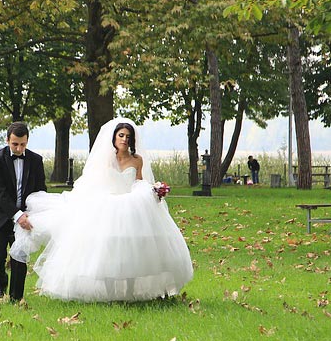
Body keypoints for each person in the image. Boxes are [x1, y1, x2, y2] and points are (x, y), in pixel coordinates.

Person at [10, 118, 193, 302]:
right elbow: (96, 182)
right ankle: (111, 292)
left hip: (131, 206)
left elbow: (138, 182)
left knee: (131, 248)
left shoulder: (137, 160)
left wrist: (153, 190)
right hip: (108, 206)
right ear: (114, 137)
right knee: (107, 248)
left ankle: (129, 291)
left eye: (128, 137)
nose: (124, 140)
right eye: (121, 135)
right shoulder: (105, 159)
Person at [0, 122, 47, 301]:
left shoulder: (36, 160)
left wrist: (33, 213)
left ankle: (15, 299)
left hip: (26, 219)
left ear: (27, 141)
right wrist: (17, 215)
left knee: (19, 259)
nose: (19, 148)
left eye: (23, 144)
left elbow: (41, 190)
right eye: (15, 144)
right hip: (0, 216)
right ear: (8, 140)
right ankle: (1, 282)